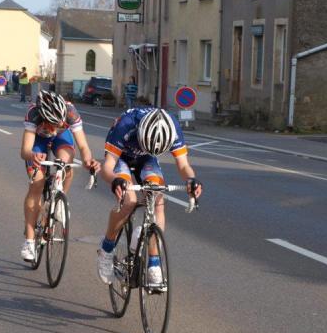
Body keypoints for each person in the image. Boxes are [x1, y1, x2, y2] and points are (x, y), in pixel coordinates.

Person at [96, 108, 203, 285]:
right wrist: (116, 181)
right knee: (129, 200)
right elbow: (107, 167)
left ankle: (153, 264)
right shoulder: (126, 125)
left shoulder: (173, 127)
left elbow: (184, 165)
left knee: (157, 196)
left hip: (147, 158)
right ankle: (106, 249)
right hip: (120, 158)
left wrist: (192, 180)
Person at [19, 90, 101, 262]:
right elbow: (25, 150)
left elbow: (83, 146)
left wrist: (88, 161)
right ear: (43, 118)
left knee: (65, 163)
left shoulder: (70, 112)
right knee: (37, 183)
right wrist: (33, 156)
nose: (56, 129)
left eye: (60, 124)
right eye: (52, 125)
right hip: (38, 141)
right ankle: (29, 239)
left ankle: (60, 200)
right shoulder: (34, 113)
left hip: (62, 140)